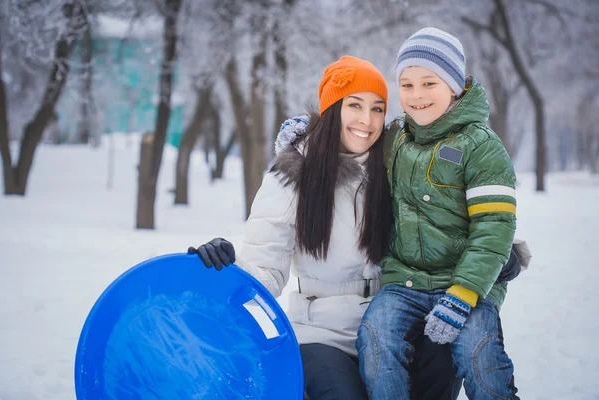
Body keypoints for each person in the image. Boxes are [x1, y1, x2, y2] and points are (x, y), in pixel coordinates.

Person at [189, 55, 470, 400]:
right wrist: (221, 271)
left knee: (449, 350)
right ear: (332, 108)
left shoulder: (399, 165)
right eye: (355, 105)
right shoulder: (294, 174)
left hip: (392, 327)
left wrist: (495, 250)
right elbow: (264, 269)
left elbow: (449, 216)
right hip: (320, 334)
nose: (366, 120)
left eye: (378, 109)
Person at [356, 27, 524, 399]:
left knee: (478, 356)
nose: (416, 96)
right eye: (407, 84)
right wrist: (306, 134)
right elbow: (351, 138)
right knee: (375, 337)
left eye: (428, 83)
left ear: (454, 86)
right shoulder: (396, 138)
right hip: (406, 282)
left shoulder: (481, 146)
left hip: (465, 284)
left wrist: (463, 293)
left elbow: (494, 225)